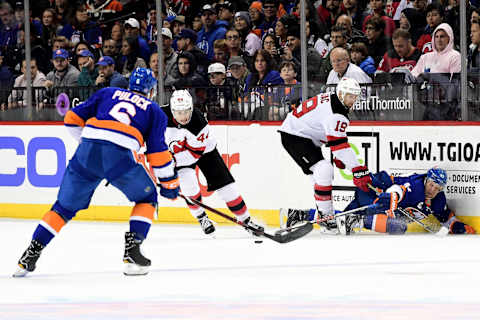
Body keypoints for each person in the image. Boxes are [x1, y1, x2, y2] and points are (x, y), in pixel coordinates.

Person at [13, 68, 179, 277]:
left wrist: (88, 142)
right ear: (152, 90)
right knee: (147, 197)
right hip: (118, 157)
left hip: (87, 151)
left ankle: (29, 255)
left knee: (62, 208)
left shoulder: (107, 92)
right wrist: (169, 184)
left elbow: (71, 118)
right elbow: (158, 154)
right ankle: (132, 253)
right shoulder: (154, 110)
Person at [278, 77, 372, 232]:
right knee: (324, 170)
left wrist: (340, 155)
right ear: (341, 94)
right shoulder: (337, 113)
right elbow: (339, 144)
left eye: (355, 96)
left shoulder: (333, 101)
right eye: (350, 96)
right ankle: (326, 218)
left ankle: (298, 216)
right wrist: (357, 169)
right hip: (295, 135)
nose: (352, 100)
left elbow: (322, 127)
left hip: (301, 135)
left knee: (320, 179)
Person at [164, 89, 264, 236]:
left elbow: (194, 154)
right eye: (179, 112)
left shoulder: (199, 122)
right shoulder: (159, 116)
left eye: (186, 111)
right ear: (172, 110)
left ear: (191, 108)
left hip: (205, 152)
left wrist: (169, 162)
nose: (183, 116)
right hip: (177, 155)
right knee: (189, 188)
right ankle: (201, 217)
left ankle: (246, 220)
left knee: (227, 188)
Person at [282, 167, 476, 236]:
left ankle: (299, 215)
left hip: (380, 202)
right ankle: (356, 221)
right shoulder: (416, 186)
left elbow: (444, 216)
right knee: (397, 227)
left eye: (438, 188)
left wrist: (457, 225)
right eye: (432, 185)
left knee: (337, 221)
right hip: (373, 194)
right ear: (427, 180)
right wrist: (390, 200)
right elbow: (396, 191)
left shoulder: (437, 199)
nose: (434, 190)